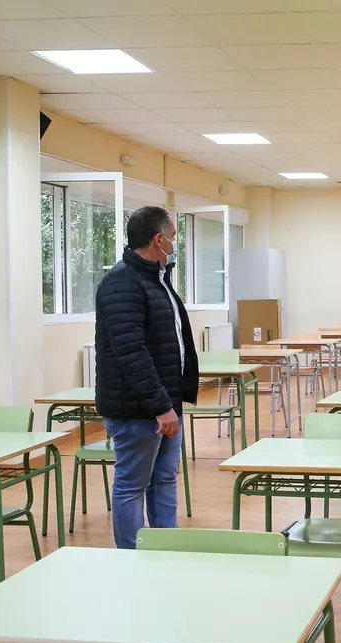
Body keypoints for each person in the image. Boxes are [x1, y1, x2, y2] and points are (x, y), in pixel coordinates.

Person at [94, 206, 199, 550]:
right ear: (158, 239)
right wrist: (160, 406)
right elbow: (131, 352)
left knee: (164, 479)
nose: (175, 243)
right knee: (131, 485)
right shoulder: (122, 283)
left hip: (165, 403)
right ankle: (132, 558)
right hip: (139, 408)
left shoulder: (157, 279)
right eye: (173, 236)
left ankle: (164, 550)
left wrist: (172, 403)